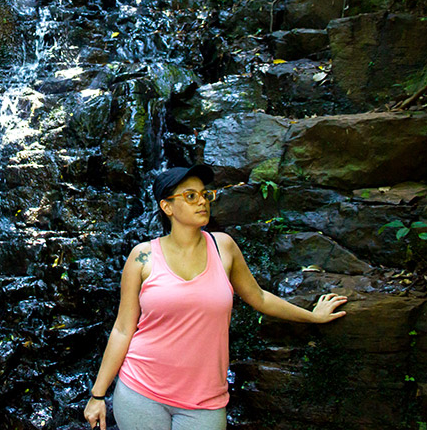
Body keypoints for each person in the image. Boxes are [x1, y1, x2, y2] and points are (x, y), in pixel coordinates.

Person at [83, 164, 348, 430]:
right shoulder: (142, 257)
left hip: (204, 401)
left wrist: (312, 316)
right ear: (167, 207)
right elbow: (122, 328)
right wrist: (98, 394)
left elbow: (260, 298)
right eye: (190, 196)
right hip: (141, 390)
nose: (202, 201)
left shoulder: (224, 247)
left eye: (205, 194)